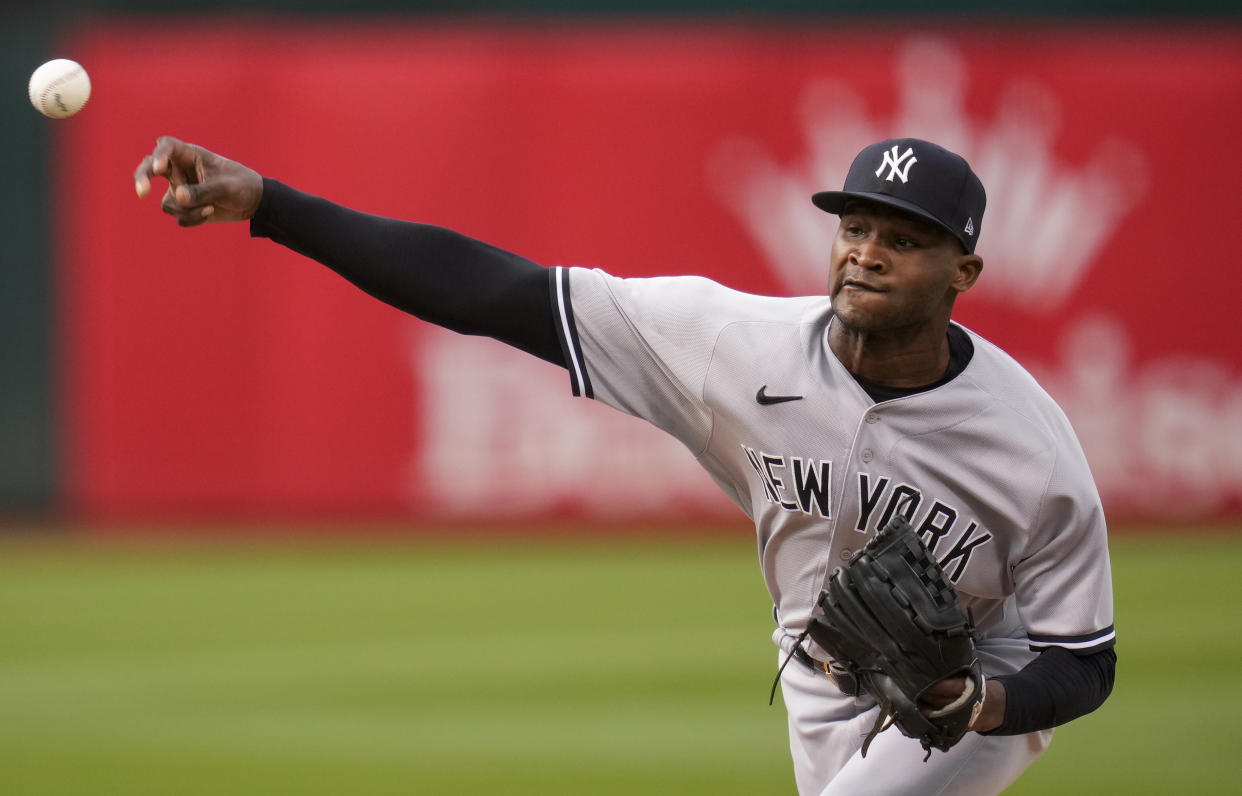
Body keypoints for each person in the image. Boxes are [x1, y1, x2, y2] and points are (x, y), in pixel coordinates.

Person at [134, 135, 1116, 795]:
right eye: (854, 228)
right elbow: (491, 292)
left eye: (902, 241)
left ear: (963, 273)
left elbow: (1085, 661)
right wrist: (272, 202)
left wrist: (985, 701)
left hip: (978, 673)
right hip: (814, 660)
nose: (864, 254)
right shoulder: (732, 343)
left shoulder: (1031, 452)